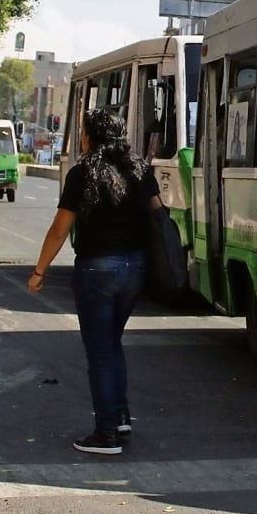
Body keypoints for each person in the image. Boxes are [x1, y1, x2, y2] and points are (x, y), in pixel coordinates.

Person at [27, 107, 162, 456]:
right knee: (112, 343)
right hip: (135, 268)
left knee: (100, 350)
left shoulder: (83, 173)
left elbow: (60, 229)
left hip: (97, 269)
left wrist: (40, 271)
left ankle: (106, 434)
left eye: (83, 132)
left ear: (90, 137)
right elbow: (158, 214)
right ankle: (120, 416)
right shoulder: (140, 170)